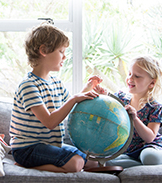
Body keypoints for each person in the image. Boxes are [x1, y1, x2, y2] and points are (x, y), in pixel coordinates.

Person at [9, 23, 101, 173]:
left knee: (91, 162)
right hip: (27, 149)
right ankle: (26, 165)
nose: (65, 56)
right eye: (61, 51)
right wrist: (75, 98)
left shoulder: (56, 83)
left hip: (48, 146)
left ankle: (42, 165)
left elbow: (71, 106)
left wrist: (88, 88)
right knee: (76, 164)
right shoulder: (28, 85)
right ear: (44, 51)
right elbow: (50, 122)